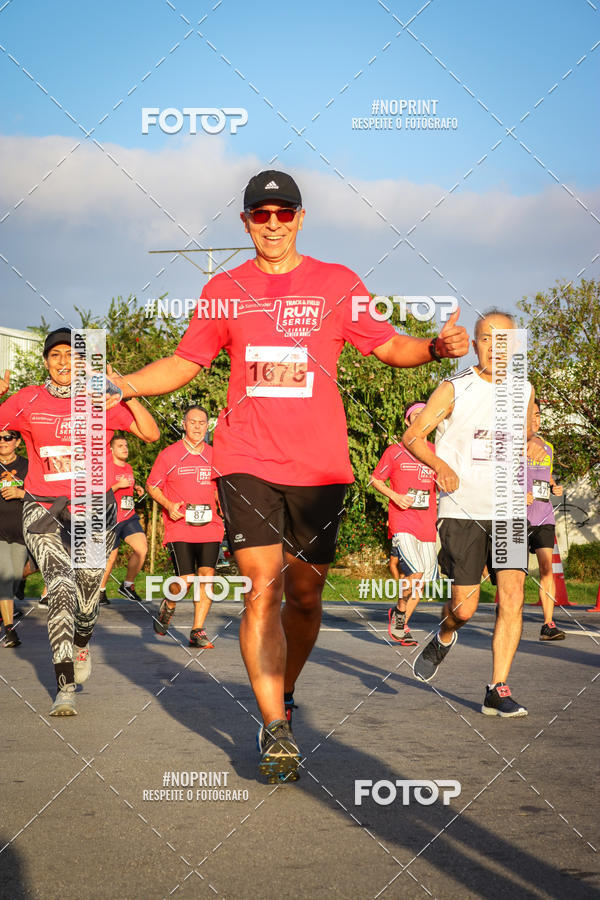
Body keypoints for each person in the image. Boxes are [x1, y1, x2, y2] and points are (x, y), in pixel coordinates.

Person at [111, 169, 469, 781]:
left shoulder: (337, 284)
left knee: (305, 596)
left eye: (283, 214)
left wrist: (434, 349)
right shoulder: (224, 289)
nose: (272, 224)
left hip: (320, 468)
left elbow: (385, 346)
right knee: (263, 587)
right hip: (245, 459)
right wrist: (124, 383)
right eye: (260, 214)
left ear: (300, 218)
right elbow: (184, 361)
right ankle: (274, 725)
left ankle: (284, 690)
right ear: (246, 221)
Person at [0, 328, 160, 716]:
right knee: (59, 585)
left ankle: (82, 639)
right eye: (54, 355)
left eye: (70, 355)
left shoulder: (98, 398)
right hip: (43, 507)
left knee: (87, 598)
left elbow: (151, 434)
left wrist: (127, 391)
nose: (62, 362)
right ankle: (64, 686)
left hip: (91, 507)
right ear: (45, 362)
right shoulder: (27, 399)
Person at [405, 310, 548, 717]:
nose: (495, 348)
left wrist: (534, 440)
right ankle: (446, 632)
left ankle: (497, 688)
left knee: (512, 598)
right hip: (462, 508)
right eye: (486, 339)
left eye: (503, 341)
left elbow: (526, 432)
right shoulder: (454, 388)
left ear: (515, 346)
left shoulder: (523, 389)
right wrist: (441, 467)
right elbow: (412, 436)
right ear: (475, 345)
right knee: (465, 607)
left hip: (507, 510)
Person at [146, 405, 224, 648]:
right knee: (186, 578)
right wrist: (169, 506)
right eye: (193, 422)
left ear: (207, 426)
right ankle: (169, 602)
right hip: (180, 524)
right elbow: (152, 486)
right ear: (184, 424)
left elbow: (220, 488)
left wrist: (225, 508)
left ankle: (197, 630)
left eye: (202, 422)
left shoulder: (215, 455)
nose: (198, 427)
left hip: (210, 524)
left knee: (207, 575)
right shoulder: (169, 455)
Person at [370, 401, 438, 646]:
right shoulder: (395, 451)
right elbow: (375, 480)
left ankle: (401, 623)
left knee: (423, 579)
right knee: (416, 569)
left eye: (425, 416)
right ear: (408, 422)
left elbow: (442, 484)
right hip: (402, 520)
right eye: (416, 416)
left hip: (428, 523)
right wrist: (395, 496)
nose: (421, 419)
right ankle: (399, 611)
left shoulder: (435, 451)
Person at [527, 400, 565, 641]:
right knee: (514, 573)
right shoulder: (513, 446)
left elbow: (546, 475)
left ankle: (548, 624)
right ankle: (507, 614)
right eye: (531, 415)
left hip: (544, 514)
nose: (535, 419)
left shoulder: (548, 447)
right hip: (518, 516)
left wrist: (554, 487)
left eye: (538, 415)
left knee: (546, 568)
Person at [99, 434, 147, 605]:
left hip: (128, 516)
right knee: (110, 558)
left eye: (126, 445)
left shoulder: (128, 467)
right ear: (110, 449)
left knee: (141, 549)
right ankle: (100, 591)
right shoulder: (105, 467)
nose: (125, 448)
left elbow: (127, 484)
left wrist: (136, 487)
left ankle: (127, 585)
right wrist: (118, 486)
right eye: (120, 446)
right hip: (110, 517)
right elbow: (98, 494)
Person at [0, 430, 28, 647]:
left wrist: (21, 494)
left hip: (21, 532)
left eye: (8, 438)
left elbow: (42, 494)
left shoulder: (28, 466)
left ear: (17, 442)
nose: (3, 442)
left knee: (16, 576)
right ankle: (10, 631)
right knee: (6, 578)